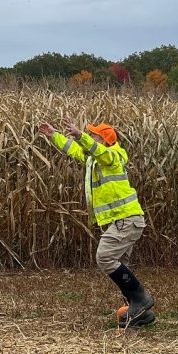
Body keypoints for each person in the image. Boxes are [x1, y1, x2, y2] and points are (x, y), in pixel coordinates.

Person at [38, 120, 155, 327]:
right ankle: (140, 314)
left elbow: (99, 151)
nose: (90, 138)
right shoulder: (95, 159)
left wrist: (80, 135)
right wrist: (54, 135)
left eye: (94, 136)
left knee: (105, 257)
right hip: (122, 221)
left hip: (126, 219)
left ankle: (141, 299)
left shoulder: (112, 157)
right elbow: (75, 150)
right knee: (121, 265)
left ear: (104, 141)